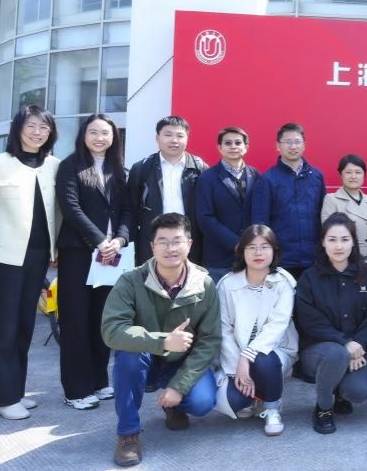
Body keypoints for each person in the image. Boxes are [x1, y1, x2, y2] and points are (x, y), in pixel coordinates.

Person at [101, 214, 220, 467]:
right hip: (145, 358)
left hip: (181, 361)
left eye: (177, 241)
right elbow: (112, 330)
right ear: (152, 246)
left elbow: (209, 340)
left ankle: (174, 404)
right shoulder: (131, 280)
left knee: (202, 401)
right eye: (163, 242)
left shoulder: (205, 284)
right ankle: (128, 433)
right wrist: (163, 341)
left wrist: (179, 385)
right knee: (128, 358)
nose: (170, 248)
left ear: (189, 244)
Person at [0, 106, 59, 420]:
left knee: (25, 326)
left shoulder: (53, 165)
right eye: (31, 126)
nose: (37, 132)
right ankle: (2, 398)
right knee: (6, 327)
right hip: (4, 259)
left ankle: (14, 391)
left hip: (39, 257)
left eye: (44, 127)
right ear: (18, 128)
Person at [56, 113, 134, 411]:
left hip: (113, 256)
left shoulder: (119, 170)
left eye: (105, 133)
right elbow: (71, 208)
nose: (100, 138)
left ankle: (99, 381)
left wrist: (120, 240)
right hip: (79, 253)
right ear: (83, 135)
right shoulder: (70, 166)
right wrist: (100, 240)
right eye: (94, 132)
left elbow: (127, 211)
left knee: (103, 319)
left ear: (114, 137)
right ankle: (76, 389)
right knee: (76, 320)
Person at [293, 212, 367, 434]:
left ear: (353, 242)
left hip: (356, 348)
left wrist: (357, 345)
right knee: (336, 354)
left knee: (358, 392)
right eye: (332, 239)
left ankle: (340, 392)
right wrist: (345, 344)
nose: (339, 246)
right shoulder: (309, 278)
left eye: (344, 239)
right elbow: (310, 322)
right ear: (323, 242)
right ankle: (323, 408)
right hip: (319, 351)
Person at [214, 224, 298, 437]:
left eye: (264, 247)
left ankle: (272, 407)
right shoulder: (227, 284)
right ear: (242, 251)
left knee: (262, 359)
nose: (258, 253)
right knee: (234, 402)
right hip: (237, 356)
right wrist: (238, 368)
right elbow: (224, 330)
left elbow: (276, 327)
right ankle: (255, 398)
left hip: (275, 351)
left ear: (274, 251)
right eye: (251, 247)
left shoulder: (284, 283)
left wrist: (247, 357)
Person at [128, 116, 208, 267]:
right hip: (153, 239)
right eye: (168, 135)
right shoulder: (142, 168)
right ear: (157, 138)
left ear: (187, 138)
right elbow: (131, 208)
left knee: (189, 278)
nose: (174, 140)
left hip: (188, 238)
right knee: (152, 277)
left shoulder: (200, 168)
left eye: (180, 136)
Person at [252, 123, 325, 279]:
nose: (293, 146)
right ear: (278, 146)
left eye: (297, 142)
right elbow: (260, 223)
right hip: (282, 261)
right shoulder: (267, 179)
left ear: (304, 145)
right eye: (288, 142)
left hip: (314, 260)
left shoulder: (316, 177)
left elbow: (323, 217)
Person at [195, 126, 259, 283]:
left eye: (238, 143)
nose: (233, 146)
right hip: (218, 258)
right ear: (220, 147)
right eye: (228, 143)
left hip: (251, 257)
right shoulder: (207, 178)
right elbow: (205, 218)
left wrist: (251, 243)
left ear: (246, 147)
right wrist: (236, 243)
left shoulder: (256, 175)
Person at [321, 154, 367, 264]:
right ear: (341, 174)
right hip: (341, 262)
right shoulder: (331, 200)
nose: (353, 176)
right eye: (348, 172)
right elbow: (329, 235)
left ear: (364, 175)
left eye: (358, 172)